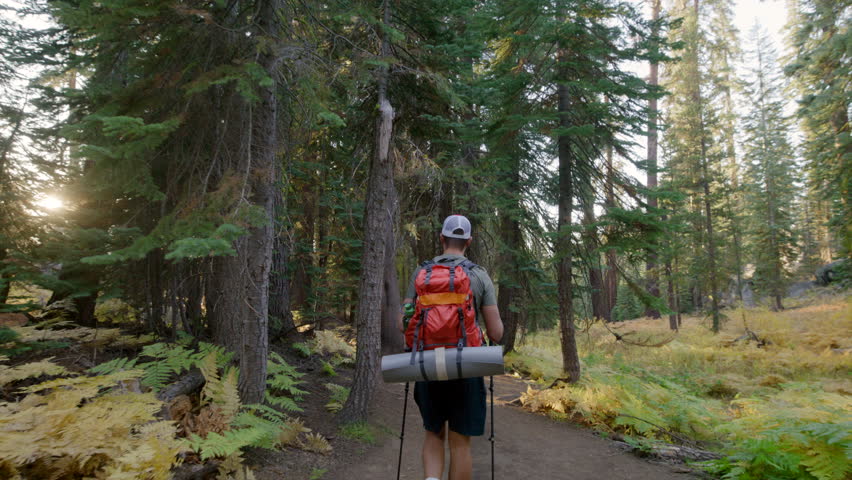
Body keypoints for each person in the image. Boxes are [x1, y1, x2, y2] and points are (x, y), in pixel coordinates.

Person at [398, 214, 503, 480]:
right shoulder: (478, 275)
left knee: (433, 434)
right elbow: (496, 332)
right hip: (466, 364)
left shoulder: (422, 274)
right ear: (469, 241)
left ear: (442, 238)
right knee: (460, 441)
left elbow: (403, 323)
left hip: (428, 363)